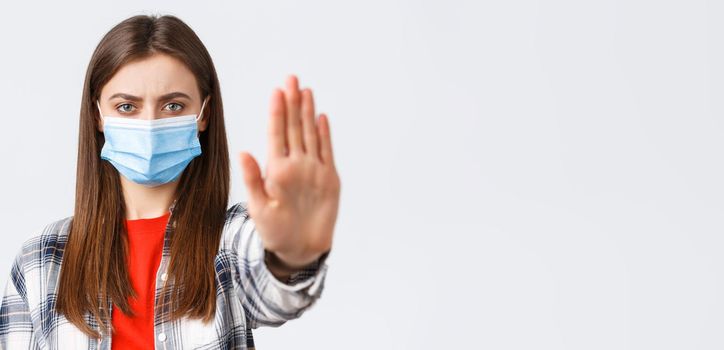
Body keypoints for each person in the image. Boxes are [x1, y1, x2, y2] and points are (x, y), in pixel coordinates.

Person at [0, 14, 340, 349]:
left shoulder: (231, 240)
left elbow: (275, 294)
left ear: (203, 114)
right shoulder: (41, 259)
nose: (150, 123)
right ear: (97, 115)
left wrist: (290, 256)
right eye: (127, 107)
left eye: (173, 105)